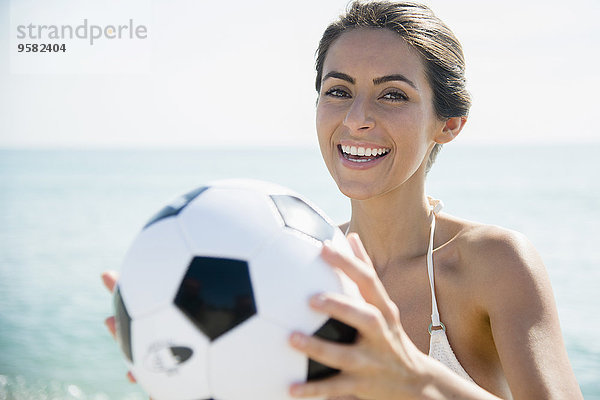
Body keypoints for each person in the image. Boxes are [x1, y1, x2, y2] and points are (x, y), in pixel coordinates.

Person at [103, 1, 583, 398]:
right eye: (338, 90)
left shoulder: (492, 262)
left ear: (448, 123)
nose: (357, 119)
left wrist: (418, 379)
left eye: (392, 95)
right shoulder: (297, 269)